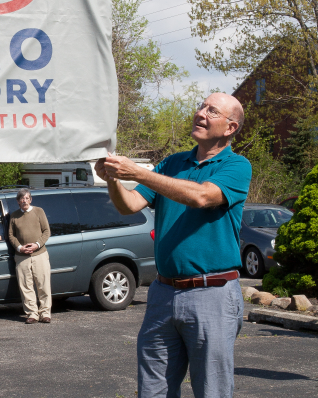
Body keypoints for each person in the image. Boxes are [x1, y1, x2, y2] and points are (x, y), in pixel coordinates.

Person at [95, 93, 250, 397]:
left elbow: (202, 196)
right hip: (163, 293)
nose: (200, 113)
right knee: (154, 390)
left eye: (211, 111)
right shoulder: (173, 162)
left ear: (230, 128)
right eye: (201, 106)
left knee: (212, 390)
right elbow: (131, 204)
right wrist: (113, 179)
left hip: (213, 294)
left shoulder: (237, 166)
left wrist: (138, 172)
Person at [8, 189, 52, 324]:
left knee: (43, 284)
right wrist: (20, 247)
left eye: (27, 198)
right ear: (18, 201)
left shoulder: (39, 211)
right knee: (26, 286)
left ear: (30, 199)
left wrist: (37, 245)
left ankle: (45, 313)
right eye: (22, 199)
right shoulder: (14, 216)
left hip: (40, 254)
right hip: (22, 257)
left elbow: (46, 231)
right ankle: (32, 314)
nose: (24, 201)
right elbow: (11, 235)